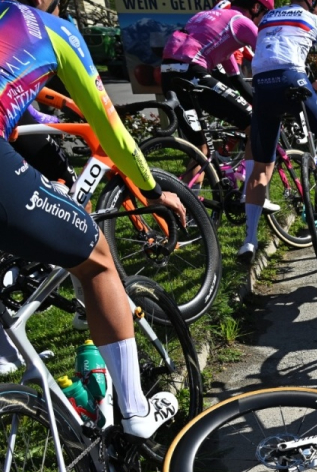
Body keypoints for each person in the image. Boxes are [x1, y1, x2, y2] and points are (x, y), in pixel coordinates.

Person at [0, 0, 186, 437]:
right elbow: (110, 127)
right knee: (97, 258)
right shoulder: (51, 27)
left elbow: (18, 106)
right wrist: (153, 189)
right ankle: (136, 412)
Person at [240, 0, 317, 263]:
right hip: (293, 78)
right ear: (314, 2)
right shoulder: (315, 20)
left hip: (262, 85)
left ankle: (249, 241)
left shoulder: (267, 18)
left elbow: (271, 54)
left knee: (261, 169)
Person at [160, 0, 272, 208]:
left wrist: (257, 102)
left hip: (167, 72)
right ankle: (250, 194)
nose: (264, 21)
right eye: (265, 14)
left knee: (199, 147)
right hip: (192, 71)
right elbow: (272, 61)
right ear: (256, 7)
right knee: (254, 125)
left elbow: (237, 80)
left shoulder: (214, 22)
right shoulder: (242, 22)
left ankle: (187, 206)